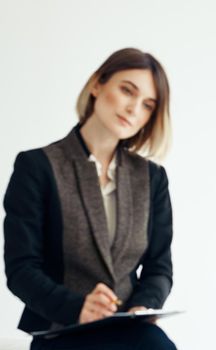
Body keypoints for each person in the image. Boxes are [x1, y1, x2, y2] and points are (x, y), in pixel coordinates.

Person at [4, 48, 177, 349]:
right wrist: (78, 308)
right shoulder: (37, 167)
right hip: (61, 329)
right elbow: (21, 269)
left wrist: (142, 307)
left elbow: (159, 267)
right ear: (97, 84)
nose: (133, 108)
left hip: (130, 331)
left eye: (147, 105)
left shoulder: (152, 178)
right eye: (127, 91)